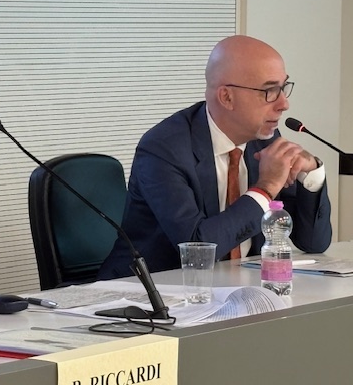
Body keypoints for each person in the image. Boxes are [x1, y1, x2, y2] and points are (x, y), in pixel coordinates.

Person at [98, 35, 332, 279]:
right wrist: (265, 189)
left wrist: (311, 174)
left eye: (283, 87)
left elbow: (313, 243)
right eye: (270, 91)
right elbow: (197, 249)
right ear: (227, 97)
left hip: (235, 285)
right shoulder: (163, 148)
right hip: (147, 291)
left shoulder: (265, 139)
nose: (284, 104)